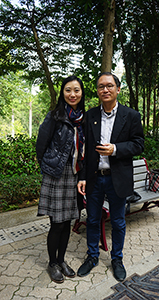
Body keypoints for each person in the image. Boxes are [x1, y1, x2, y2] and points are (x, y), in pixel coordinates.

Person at [77, 72, 144, 282]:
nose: (105, 90)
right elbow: (83, 150)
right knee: (93, 220)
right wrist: (82, 177)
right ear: (97, 91)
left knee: (118, 222)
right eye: (100, 87)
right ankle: (92, 256)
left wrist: (115, 149)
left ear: (118, 89)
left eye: (109, 86)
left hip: (118, 178)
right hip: (95, 178)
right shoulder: (90, 116)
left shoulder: (130, 115)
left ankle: (117, 259)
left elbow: (138, 144)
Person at [36, 75, 85, 284]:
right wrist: (48, 167)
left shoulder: (84, 119)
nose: (72, 94)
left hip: (73, 175)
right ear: (62, 93)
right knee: (56, 223)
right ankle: (52, 263)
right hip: (56, 175)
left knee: (67, 223)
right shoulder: (54, 116)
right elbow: (41, 145)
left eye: (76, 90)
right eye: (68, 90)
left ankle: (62, 260)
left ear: (82, 93)